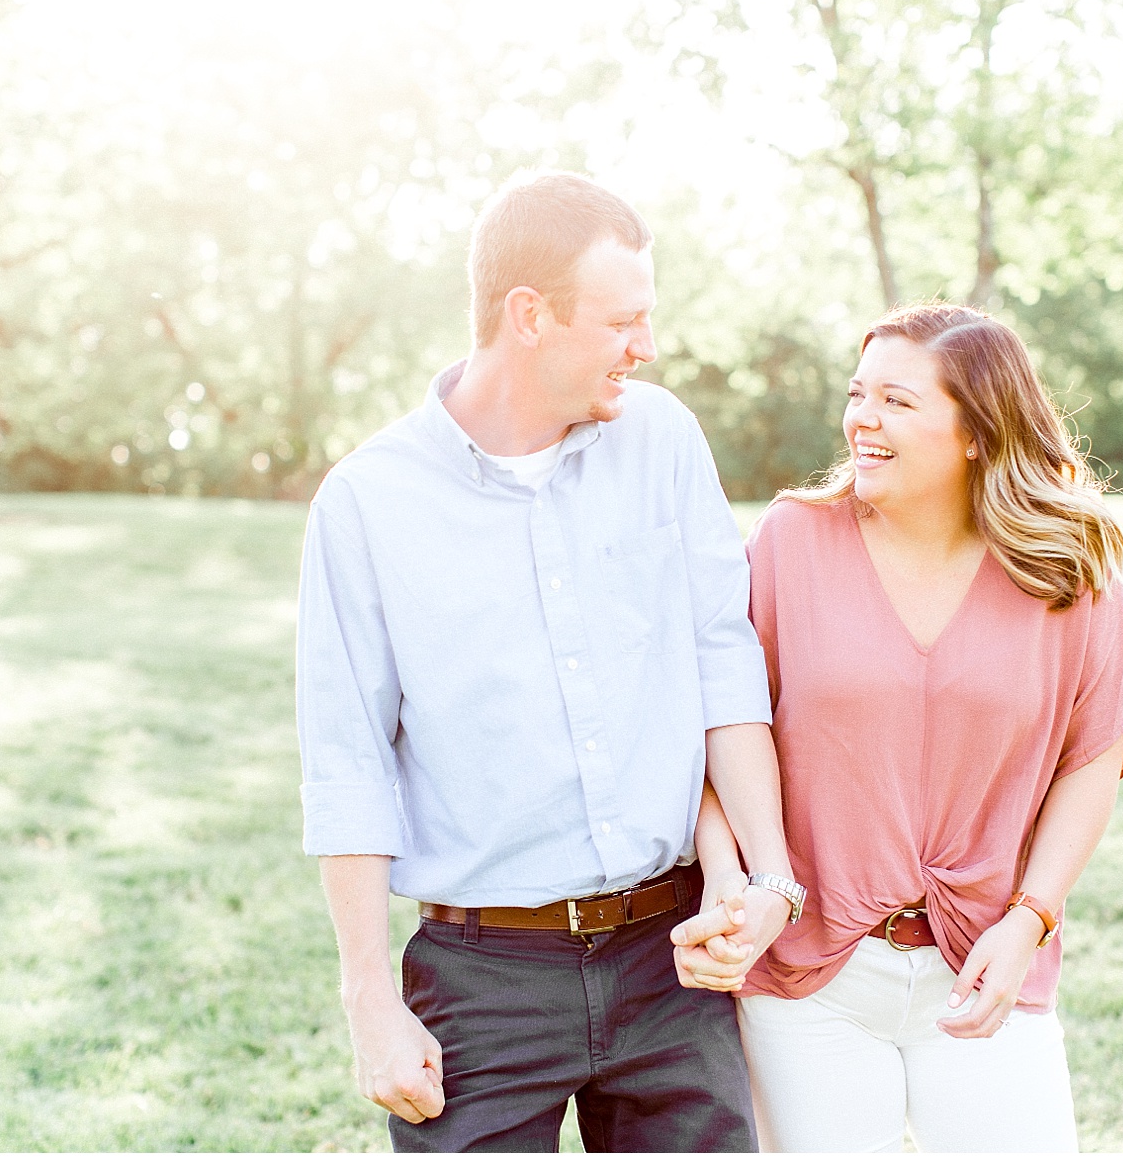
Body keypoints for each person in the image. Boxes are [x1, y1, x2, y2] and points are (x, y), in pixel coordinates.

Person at [295, 171, 799, 1153]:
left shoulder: (662, 440)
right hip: (483, 980)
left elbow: (721, 660)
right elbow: (347, 761)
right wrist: (369, 1000)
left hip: (671, 964)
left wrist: (768, 874)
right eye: (622, 321)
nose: (645, 346)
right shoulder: (366, 504)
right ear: (529, 315)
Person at [674, 301, 1123, 1152]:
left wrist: (1029, 919)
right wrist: (729, 876)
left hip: (987, 963)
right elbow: (725, 728)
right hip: (810, 976)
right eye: (858, 394)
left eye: (897, 400)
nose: (863, 418)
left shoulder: (1074, 566)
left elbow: (1091, 758)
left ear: (977, 431)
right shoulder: (790, 541)